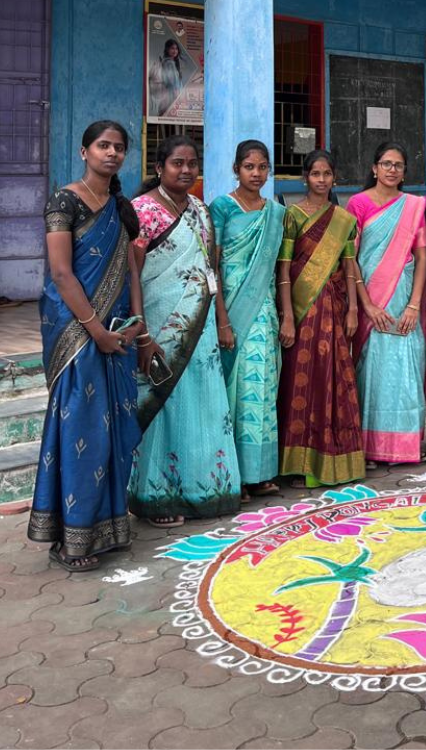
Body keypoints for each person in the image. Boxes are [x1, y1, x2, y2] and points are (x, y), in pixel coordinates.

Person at [28, 120, 145, 570]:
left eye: (118, 147)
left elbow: (131, 270)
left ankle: (109, 528)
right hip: (77, 332)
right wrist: (96, 330)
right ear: (84, 151)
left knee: (111, 432)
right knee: (82, 430)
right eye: (103, 145)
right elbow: (61, 273)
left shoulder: (120, 207)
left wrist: (136, 325)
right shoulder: (66, 201)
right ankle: (70, 540)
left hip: (116, 330)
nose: (111, 153)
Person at [127, 135, 241, 525]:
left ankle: (205, 489)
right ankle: (155, 498)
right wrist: (141, 331)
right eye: (178, 163)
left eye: (192, 163)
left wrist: (222, 320)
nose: (186, 170)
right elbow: (132, 274)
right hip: (160, 325)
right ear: (160, 168)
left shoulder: (200, 210)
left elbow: (212, 270)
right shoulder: (141, 210)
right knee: (164, 407)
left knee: (203, 405)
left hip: (202, 325)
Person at [277, 150, 364, 487]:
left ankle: (333, 458)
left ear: (335, 178)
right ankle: (298, 462)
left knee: (335, 378)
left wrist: (354, 308)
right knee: (301, 380)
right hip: (301, 312)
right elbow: (283, 269)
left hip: (335, 309)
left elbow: (348, 266)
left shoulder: (343, 220)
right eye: (315, 174)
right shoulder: (293, 216)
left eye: (327, 174)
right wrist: (287, 314)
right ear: (305, 177)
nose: (322, 180)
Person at [210, 140, 286, 498]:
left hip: (265, 311)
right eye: (249, 167)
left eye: (262, 167)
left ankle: (262, 472)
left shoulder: (275, 212)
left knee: (263, 389)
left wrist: (284, 315)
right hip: (232, 312)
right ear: (236, 169)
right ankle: (236, 475)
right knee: (234, 393)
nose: (256, 174)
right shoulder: (222, 207)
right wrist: (222, 319)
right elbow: (214, 266)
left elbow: (278, 271)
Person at [349, 142, 426, 467]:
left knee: (405, 369)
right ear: (374, 168)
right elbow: (350, 259)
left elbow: (421, 258)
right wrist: (366, 305)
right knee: (371, 371)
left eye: (398, 165)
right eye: (386, 164)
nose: (392, 170)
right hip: (372, 300)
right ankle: (369, 447)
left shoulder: (412, 206)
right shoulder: (358, 204)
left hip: (402, 298)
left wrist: (413, 306)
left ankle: (405, 446)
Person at [148, 39, 184, 117]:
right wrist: (178, 97)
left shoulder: (167, 62)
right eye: (172, 48)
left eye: (176, 48)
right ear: (167, 49)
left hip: (166, 98)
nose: (175, 51)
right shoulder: (169, 63)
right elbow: (173, 82)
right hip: (172, 97)